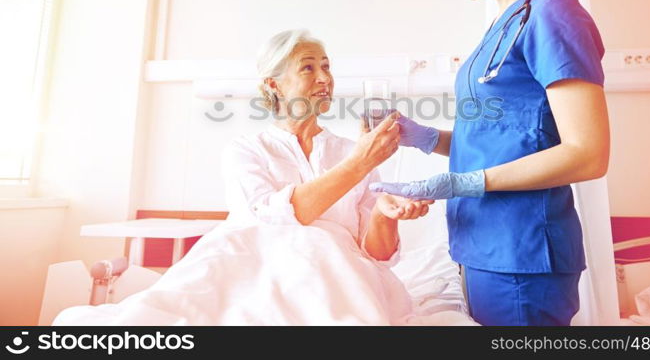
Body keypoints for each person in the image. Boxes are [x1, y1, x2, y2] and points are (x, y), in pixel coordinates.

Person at [53, 29, 434, 326]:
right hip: (248, 265)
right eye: (308, 67)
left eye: (327, 66)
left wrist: (386, 214)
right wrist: (358, 164)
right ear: (273, 84)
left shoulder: (353, 151)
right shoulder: (248, 151)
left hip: (333, 273)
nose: (324, 77)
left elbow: (377, 255)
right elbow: (272, 220)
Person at [371, 0, 610, 326]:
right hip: (480, 245)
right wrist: (423, 137)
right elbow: (504, 142)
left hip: (521, 251)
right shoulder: (501, 26)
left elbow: (588, 153)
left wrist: (464, 182)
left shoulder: (553, 14)